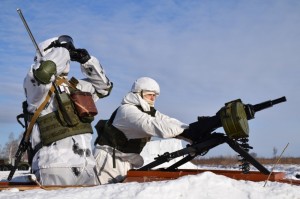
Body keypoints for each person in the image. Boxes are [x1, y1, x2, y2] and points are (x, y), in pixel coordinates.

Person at [93, 77, 221, 184]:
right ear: (138, 93)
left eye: (155, 96)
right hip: (109, 159)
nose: (153, 99)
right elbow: (153, 125)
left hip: (125, 160)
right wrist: (187, 131)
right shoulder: (127, 111)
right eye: (149, 95)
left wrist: (193, 130)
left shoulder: (148, 111)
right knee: (107, 193)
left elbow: (167, 121)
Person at [23, 35, 113, 185]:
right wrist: (62, 50)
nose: (67, 54)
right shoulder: (36, 86)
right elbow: (44, 73)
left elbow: (104, 89)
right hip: (55, 166)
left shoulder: (76, 86)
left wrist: (87, 61)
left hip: (87, 167)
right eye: (61, 50)